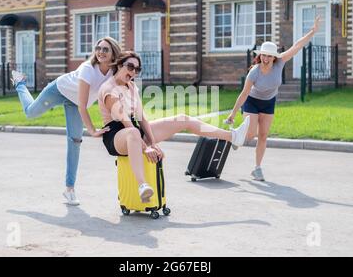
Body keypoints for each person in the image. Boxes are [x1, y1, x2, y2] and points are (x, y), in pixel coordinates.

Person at [98, 51, 251, 203]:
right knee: (132, 132)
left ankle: (233, 137)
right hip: (116, 136)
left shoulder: (131, 87)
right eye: (130, 67)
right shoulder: (109, 89)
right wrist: (146, 148)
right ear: (119, 65)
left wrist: (153, 143)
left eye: (137, 69)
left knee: (183, 119)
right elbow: (126, 123)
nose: (133, 72)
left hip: (133, 131)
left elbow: (142, 118)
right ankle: (142, 185)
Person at [11, 36, 122, 205]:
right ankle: (20, 83)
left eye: (105, 49)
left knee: (75, 141)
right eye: (98, 48)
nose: (100, 52)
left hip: (74, 102)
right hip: (59, 90)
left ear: (114, 53)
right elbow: (83, 106)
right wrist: (92, 130)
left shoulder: (114, 73)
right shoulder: (88, 69)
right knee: (30, 113)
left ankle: (69, 189)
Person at [225, 15, 322, 182]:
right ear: (260, 55)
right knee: (250, 135)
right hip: (252, 102)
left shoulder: (280, 62)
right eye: (264, 55)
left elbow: (297, 46)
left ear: (274, 57)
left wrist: (312, 31)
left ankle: (257, 168)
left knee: (263, 136)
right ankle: (237, 136)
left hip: (269, 102)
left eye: (269, 56)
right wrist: (232, 114)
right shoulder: (254, 72)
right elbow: (244, 93)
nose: (266, 58)